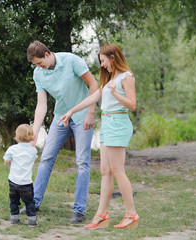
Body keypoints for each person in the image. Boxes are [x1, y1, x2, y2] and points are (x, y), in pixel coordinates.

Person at [59, 43, 139, 229]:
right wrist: (71, 111)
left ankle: (131, 213)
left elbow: (132, 105)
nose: (102, 65)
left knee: (118, 171)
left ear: (113, 58)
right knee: (105, 171)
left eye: (103, 61)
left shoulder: (126, 77)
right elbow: (93, 98)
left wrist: (114, 93)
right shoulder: (109, 79)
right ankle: (102, 214)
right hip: (107, 124)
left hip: (118, 124)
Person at [24, 40, 98, 223]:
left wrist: (90, 113)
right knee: (46, 157)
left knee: (82, 162)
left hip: (82, 116)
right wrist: (34, 132)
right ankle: (34, 202)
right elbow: (41, 105)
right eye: (35, 65)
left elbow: (94, 85)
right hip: (61, 117)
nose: (38, 67)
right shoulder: (38, 73)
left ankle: (79, 210)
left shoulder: (72, 61)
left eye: (39, 63)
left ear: (47, 55)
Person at [3, 124, 39, 227]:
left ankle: (15, 219)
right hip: (26, 182)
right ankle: (32, 221)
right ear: (32, 137)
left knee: (14, 201)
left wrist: (10, 163)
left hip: (13, 181)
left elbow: (6, 161)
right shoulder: (33, 150)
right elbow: (33, 158)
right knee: (29, 202)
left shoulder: (12, 149)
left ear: (17, 136)